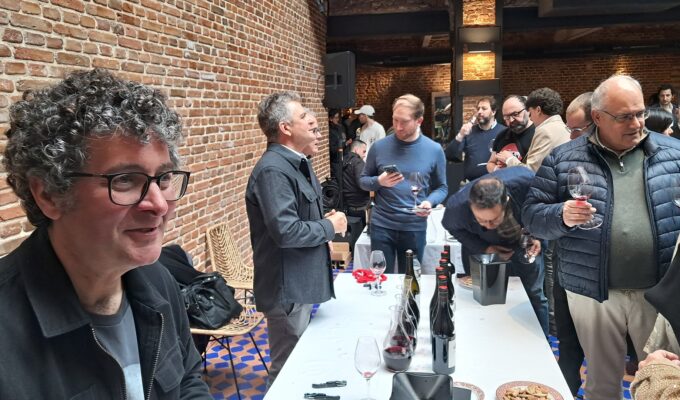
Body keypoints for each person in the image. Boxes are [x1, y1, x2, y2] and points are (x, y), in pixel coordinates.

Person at [0, 69, 210, 399]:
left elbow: (187, 380)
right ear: (49, 194)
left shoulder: (159, 283)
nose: (158, 204)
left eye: (164, 178)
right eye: (125, 180)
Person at [522, 74, 680, 400]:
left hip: (660, 291)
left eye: (640, 113)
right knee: (601, 382)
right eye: (625, 117)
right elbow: (532, 217)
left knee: (662, 380)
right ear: (597, 117)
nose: (637, 123)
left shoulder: (674, 154)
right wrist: (561, 216)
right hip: (592, 292)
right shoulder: (564, 157)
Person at [246, 92, 347, 388]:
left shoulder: (296, 163)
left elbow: (299, 218)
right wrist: (328, 227)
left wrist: (321, 223)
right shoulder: (273, 170)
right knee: (287, 372)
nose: (313, 119)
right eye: (303, 116)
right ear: (285, 128)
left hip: (299, 283)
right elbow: (287, 231)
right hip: (287, 288)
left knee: (301, 365)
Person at [442, 167, 549, 335]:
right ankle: (485, 338)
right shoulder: (456, 208)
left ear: (506, 201)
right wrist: (484, 248)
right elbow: (452, 227)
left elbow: (544, 211)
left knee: (534, 295)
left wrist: (538, 236)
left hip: (524, 241)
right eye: (481, 220)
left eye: (494, 219)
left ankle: (541, 342)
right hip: (483, 245)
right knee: (481, 298)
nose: (489, 225)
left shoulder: (528, 184)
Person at [359, 94, 447, 273]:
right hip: (382, 226)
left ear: (419, 121)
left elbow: (442, 187)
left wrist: (429, 202)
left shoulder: (434, 150)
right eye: (395, 120)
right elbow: (363, 181)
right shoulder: (379, 147)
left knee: (411, 280)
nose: (398, 127)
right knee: (381, 279)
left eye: (404, 122)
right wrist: (379, 181)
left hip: (414, 226)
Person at [445, 97, 505, 182]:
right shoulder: (469, 132)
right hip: (471, 185)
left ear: (493, 112)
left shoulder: (504, 132)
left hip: (497, 184)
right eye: (478, 109)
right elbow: (448, 155)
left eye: (484, 108)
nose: (479, 111)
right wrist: (460, 135)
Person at [486, 95, 536, 173]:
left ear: (528, 110)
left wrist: (509, 160)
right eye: (506, 117)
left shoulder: (539, 134)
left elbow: (535, 171)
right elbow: (490, 163)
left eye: (515, 114)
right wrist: (497, 170)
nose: (511, 120)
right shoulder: (502, 135)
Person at [328, 108, 346, 177]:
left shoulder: (339, 127)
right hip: (335, 159)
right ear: (330, 119)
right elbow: (332, 148)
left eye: (338, 117)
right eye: (335, 118)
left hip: (342, 157)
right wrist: (344, 144)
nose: (337, 119)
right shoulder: (330, 130)